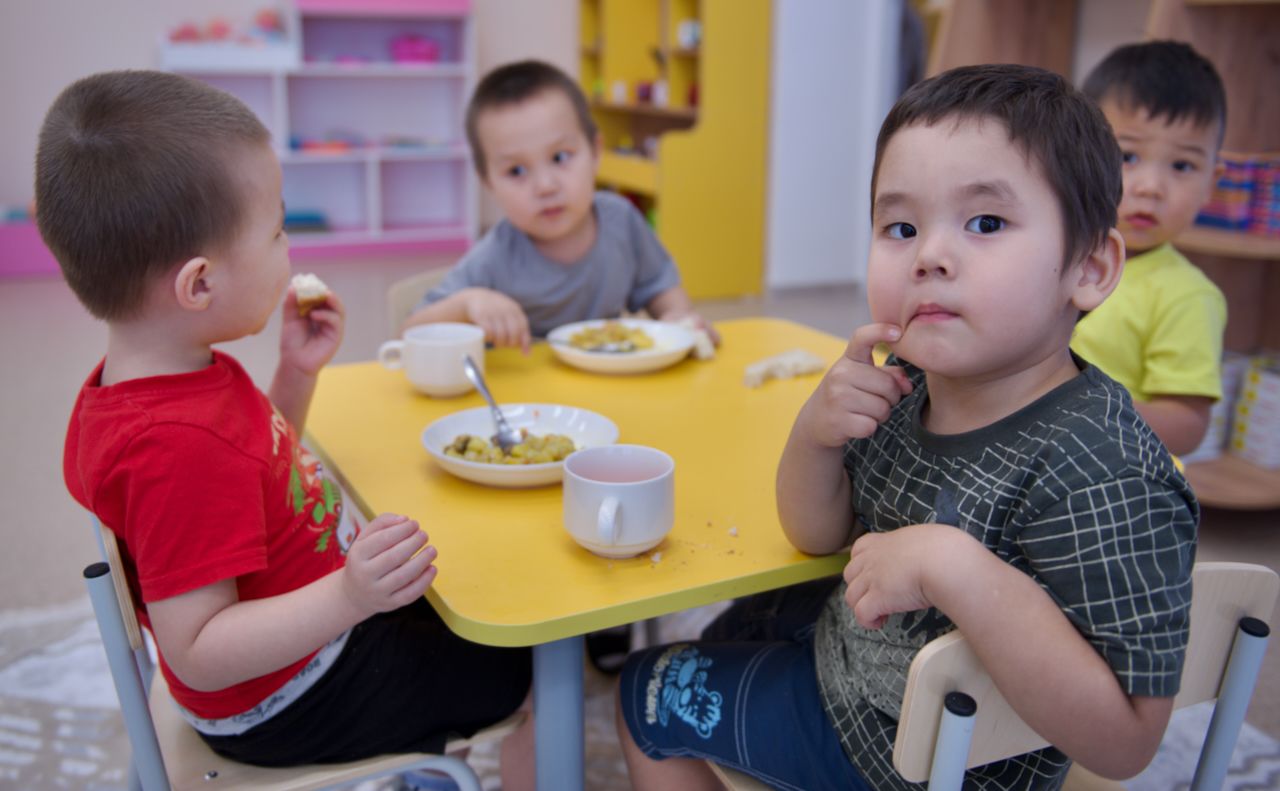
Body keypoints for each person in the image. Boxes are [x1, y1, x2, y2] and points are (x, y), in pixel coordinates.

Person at [615, 64, 1198, 790]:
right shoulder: (911, 376)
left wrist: (952, 566)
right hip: (860, 657)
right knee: (728, 625)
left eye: (985, 222)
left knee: (646, 689)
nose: (929, 255)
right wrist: (817, 430)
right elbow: (815, 533)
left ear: (1090, 267)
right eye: (901, 226)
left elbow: (1127, 741)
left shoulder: (1106, 467)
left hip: (917, 756)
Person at [39, 70, 533, 786]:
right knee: (524, 656)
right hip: (287, 694)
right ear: (199, 284)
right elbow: (198, 647)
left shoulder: (159, 380)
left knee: (459, 592)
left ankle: (426, 755)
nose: (288, 249)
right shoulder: (176, 448)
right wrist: (350, 598)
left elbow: (253, 463)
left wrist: (295, 376)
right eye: (276, 231)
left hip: (305, 637)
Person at [401, 59, 717, 352]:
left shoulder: (621, 221)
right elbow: (409, 332)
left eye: (560, 158)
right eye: (517, 171)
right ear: (488, 182)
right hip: (523, 402)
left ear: (595, 152)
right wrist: (467, 303)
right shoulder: (497, 255)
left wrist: (680, 319)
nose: (545, 186)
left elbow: (660, 288)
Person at [1072, 41, 1229, 455]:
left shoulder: (1186, 295)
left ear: (1212, 181)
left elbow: (1187, 426)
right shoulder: (1053, 252)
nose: (1150, 187)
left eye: (1182, 165)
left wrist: (1078, 408)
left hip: (1121, 482)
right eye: (1128, 155)